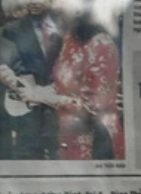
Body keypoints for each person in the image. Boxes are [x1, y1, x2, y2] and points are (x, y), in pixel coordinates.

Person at [0, 0, 65, 160]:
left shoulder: (64, 27)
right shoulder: (13, 30)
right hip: (29, 113)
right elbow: (13, 68)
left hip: (62, 108)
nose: (33, 1)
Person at [51, 9, 123, 162]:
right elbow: (63, 85)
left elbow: (94, 107)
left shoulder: (102, 45)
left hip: (94, 142)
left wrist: (47, 98)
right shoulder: (70, 38)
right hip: (67, 137)